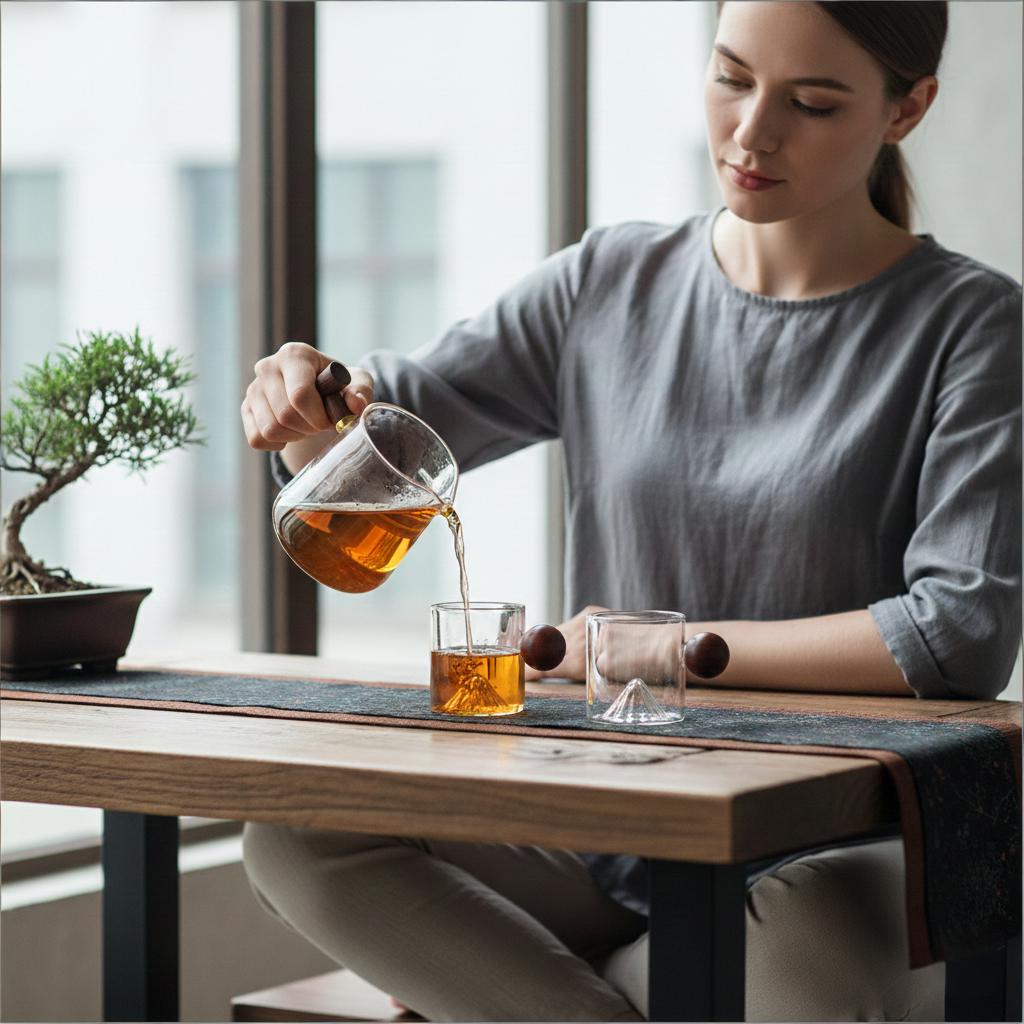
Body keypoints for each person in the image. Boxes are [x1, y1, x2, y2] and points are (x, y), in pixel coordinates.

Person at [238, 2, 1021, 1019]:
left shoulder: (973, 325)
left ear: (905, 109)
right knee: (296, 830)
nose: (751, 132)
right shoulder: (605, 282)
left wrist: (657, 647)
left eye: (813, 103)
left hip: (834, 840)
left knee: (796, 952)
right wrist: (302, 395)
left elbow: (957, 634)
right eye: (731, 77)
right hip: (608, 819)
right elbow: (375, 436)